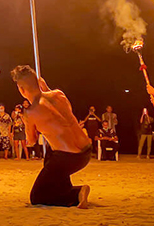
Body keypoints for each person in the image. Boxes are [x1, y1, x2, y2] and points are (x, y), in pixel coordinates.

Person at [12, 65, 92, 208]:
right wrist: (44, 87)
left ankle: (76, 194)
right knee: (50, 156)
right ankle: (66, 187)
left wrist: (26, 122)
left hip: (68, 158)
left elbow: (31, 141)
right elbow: (58, 111)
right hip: (86, 151)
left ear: (22, 90)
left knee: (37, 196)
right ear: (39, 82)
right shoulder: (58, 95)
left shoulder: (31, 112)